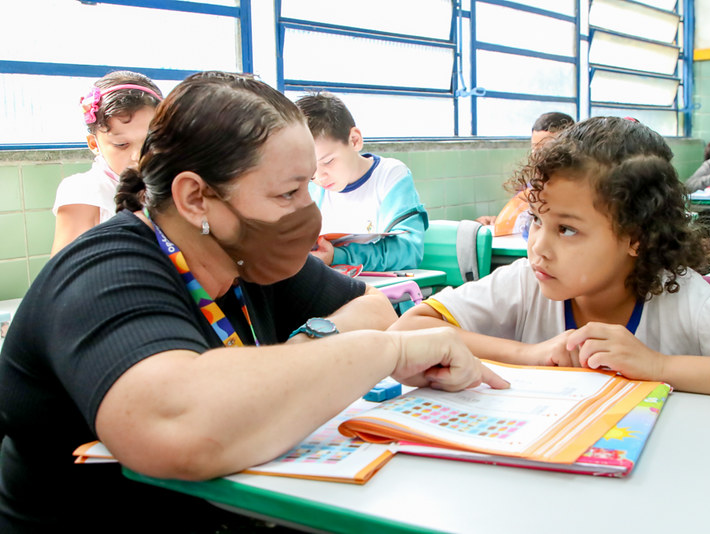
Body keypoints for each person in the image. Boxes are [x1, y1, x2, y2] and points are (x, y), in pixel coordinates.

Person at [0, 71, 507, 533]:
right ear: (196, 198)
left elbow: (370, 308)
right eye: (287, 194)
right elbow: (179, 429)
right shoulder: (104, 271)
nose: (306, 212)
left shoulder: (245, 253)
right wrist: (388, 354)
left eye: (309, 187)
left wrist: (311, 344)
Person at [392, 116, 710, 402]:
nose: (539, 247)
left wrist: (658, 366)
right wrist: (530, 355)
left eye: (567, 229)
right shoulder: (528, 280)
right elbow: (409, 329)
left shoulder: (684, 299)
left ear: (635, 237)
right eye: (536, 220)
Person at [295, 92, 428, 271]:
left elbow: (408, 251)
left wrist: (338, 256)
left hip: (386, 293)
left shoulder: (390, 176)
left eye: (328, 162)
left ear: (354, 140)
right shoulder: (311, 188)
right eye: (310, 171)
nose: (320, 177)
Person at [51, 70, 163, 255]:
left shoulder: (173, 181)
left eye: (150, 142)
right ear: (94, 144)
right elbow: (64, 271)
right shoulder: (83, 190)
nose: (138, 155)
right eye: (121, 145)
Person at [476, 111, 575, 229]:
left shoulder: (576, 190)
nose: (538, 155)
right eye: (535, 147)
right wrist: (496, 222)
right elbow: (525, 220)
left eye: (547, 148)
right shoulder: (531, 187)